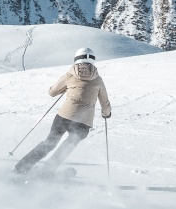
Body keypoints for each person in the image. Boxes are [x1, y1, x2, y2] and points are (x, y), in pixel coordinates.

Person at [14, 47, 111, 175]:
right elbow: (105, 102)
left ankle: (21, 168)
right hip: (84, 122)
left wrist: (65, 88)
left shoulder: (70, 75)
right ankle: (47, 171)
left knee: (50, 143)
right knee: (67, 147)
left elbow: (52, 92)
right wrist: (106, 113)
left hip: (64, 117)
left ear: (76, 59)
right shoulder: (98, 80)